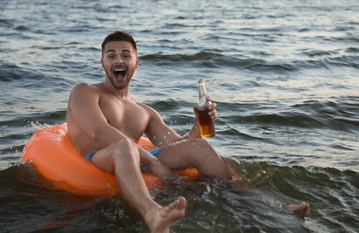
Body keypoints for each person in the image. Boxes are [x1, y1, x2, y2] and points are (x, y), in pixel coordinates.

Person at [66, 31, 309, 233]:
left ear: (136, 62)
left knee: (200, 148)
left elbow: (177, 145)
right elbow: (98, 132)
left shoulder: (144, 111)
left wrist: (197, 126)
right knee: (125, 146)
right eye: (111, 55)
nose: (118, 59)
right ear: (102, 62)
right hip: (100, 157)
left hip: (134, 159)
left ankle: (266, 206)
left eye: (125, 54)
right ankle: (153, 214)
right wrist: (151, 161)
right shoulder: (86, 92)